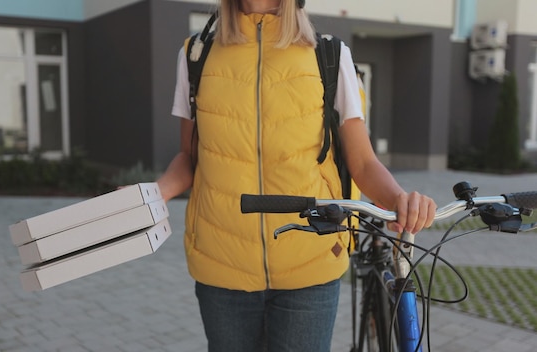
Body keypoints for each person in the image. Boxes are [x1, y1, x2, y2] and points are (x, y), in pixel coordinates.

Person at [154, 0, 437, 350]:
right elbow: (189, 157)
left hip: (310, 264)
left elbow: (362, 162)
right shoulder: (197, 55)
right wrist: (155, 193)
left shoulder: (329, 55)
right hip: (221, 265)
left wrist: (399, 199)